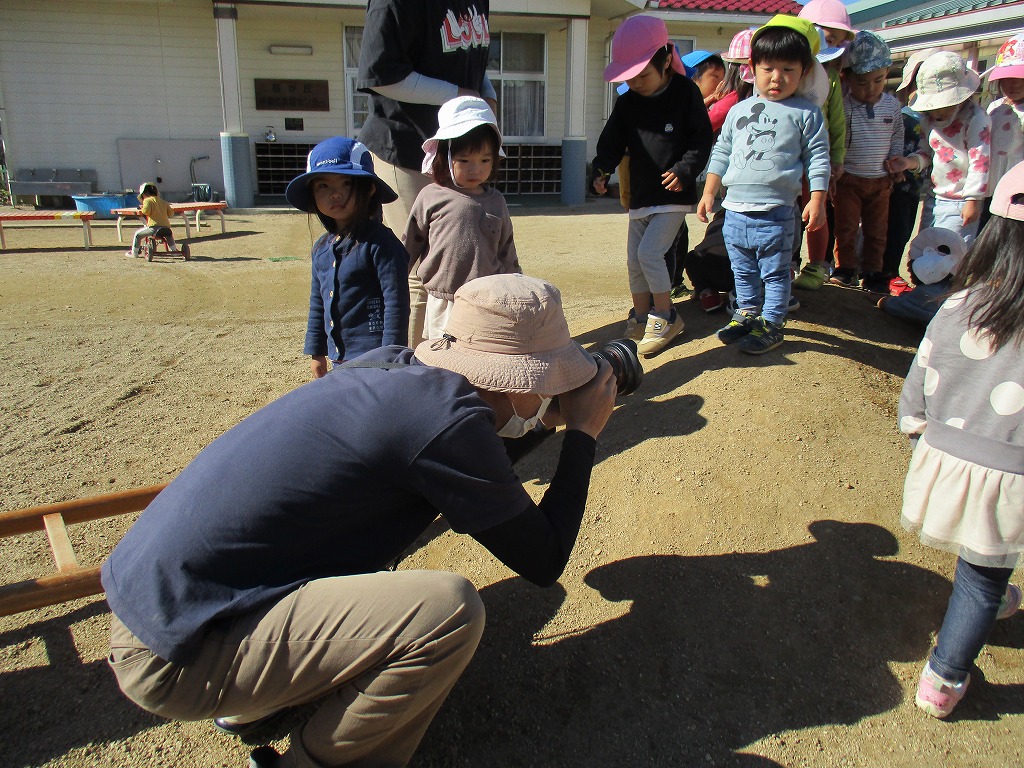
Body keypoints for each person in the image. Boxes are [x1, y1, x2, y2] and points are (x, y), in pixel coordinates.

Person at [101, 272, 618, 768]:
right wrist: (582, 433)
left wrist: (545, 422)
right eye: (550, 381)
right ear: (517, 378)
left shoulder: (391, 369)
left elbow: (476, 472)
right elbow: (544, 558)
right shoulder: (447, 422)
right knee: (447, 614)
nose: (554, 392)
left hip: (159, 605)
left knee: (373, 562)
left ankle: (261, 699)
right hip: (175, 653)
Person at [898, 161, 1024, 720]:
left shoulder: (958, 304)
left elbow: (920, 381)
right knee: (982, 579)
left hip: (948, 454)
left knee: (983, 564)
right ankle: (944, 677)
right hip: (1012, 468)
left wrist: (916, 432)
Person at [356, 0, 496, 346]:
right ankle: (407, 364)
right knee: (419, 271)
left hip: (461, 150)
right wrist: (458, 94)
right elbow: (381, 71)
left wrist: (486, 96)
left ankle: (453, 355)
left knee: (459, 266)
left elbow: (470, 60)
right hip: (406, 145)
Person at [697, 15, 830, 355]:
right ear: (753, 69)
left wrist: (817, 199)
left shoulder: (807, 113)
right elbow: (722, 151)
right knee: (741, 269)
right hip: (734, 210)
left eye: (788, 69)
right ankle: (746, 313)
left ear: (804, 71)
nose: (777, 77)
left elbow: (818, 158)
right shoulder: (739, 109)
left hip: (776, 212)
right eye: (768, 68)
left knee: (775, 272)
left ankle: (772, 323)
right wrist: (709, 191)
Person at [591, 15, 713, 357]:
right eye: (629, 77)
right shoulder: (628, 101)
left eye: (642, 75)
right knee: (634, 260)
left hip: (673, 195)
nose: (636, 83)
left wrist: (685, 169)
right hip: (641, 195)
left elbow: (701, 139)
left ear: (665, 60)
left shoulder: (685, 93)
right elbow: (612, 140)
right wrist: (601, 169)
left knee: (650, 253)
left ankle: (666, 316)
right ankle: (641, 316)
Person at [287, 137, 410, 378]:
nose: (335, 194)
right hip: (338, 358)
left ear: (369, 188)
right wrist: (316, 352)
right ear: (312, 194)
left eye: (346, 183)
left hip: (375, 358)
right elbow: (318, 303)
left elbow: (396, 303)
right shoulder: (322, 248)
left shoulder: (381, 243)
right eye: (323, 186)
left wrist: (391, 356)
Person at [403, 96, 520, 340]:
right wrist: (393, 277)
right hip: (443, 299)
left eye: (485, 160)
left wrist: (516, 285)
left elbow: (506, 249)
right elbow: (410, 243)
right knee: (444, 352)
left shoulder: (496, 201)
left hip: (487, 299)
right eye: (464, 160)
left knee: (482, 349)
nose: (475, 169)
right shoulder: (431, 196)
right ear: (444, 157)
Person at [886, 52, 991, 246]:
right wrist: (908, 162)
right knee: (926, 247)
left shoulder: (976, 119)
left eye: (942, 105)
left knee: (949, 251)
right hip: (934, 196)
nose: (936, 111)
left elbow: (980, 162)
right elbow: (926, 153)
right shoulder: (929, 121)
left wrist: (974, 200)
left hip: (960, 200)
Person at [828, 31, 904, 293]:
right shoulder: (843, 105)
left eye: (878, 80)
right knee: (846, 227)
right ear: (846, 78)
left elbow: (897, 135)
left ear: (887, 74)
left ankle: (873, 272)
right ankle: (845, 268)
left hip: (880, 181)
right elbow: (836, 137)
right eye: (862, 82)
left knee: (877, 230)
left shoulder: (892, 106)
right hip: (848, 179)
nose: (870, 88)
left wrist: (896, 161)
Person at [791, 0, 854, 291]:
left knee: (816, 209)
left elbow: (837, 123)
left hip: (816, 157)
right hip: (785, 155)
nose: (829, 45)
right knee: (786, 210)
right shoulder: (788, 70)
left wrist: (836, 158)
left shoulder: (831, 79)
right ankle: (788, 260)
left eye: (834, 40)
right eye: (825, 38)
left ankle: (817, 264)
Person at [881, 48, 938, 287]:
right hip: (894, 184)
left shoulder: (937, 121)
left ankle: (893, 271)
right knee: (890, 229)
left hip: (915, 186)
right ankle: (884, 272)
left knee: (904, 231)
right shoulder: (902, 116)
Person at [876, 226, 966, 328]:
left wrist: (883, 299)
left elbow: (887, 304)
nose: (908, 266)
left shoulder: (926, 295)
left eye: (912, 261)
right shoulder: (953, 290)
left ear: (927, 267)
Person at [980, 33, 1024, 231]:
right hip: (991, 182)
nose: (1013, 84)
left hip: (1017, 185)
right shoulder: (995, 107)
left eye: (1019, 78)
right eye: (1007, 78)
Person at [125, 182, 175, 259]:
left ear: (144, 194)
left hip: (154, 228)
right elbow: (171, 214)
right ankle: (174, 251)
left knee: (137, 235)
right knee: (169, 236)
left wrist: (142, 208)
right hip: (166, 227)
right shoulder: (164, 202)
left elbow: (146, 211)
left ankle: (134, 253)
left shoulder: (147, 201)